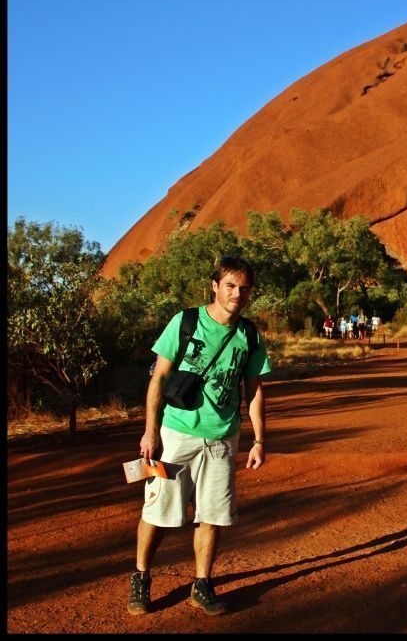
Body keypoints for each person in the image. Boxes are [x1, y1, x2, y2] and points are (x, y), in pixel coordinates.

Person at [128, 256, 272, 617]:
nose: (237, 294)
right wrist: (150, 431)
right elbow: (158, 378)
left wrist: (259, 439)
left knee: (213, 515)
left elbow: (254, 389)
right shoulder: (186, 321)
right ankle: (141, 577)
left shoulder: (250, 335)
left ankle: (202, 584)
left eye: (244, 288)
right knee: (158, 511)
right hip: (176, 434)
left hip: (223, 438)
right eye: (230, 285)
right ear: (215, 285)